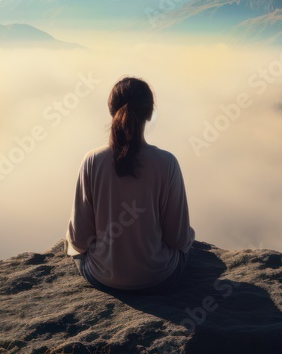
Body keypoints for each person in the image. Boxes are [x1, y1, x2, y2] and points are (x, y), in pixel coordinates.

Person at [66, 77, 195, 293]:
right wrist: (190, 235)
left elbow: (79, 241)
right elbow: (178, 240)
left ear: (111, 111)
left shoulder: (92, 161)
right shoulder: (167, 163)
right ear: (150, 114)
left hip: (102, 277)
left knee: (70, 249)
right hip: (160, 276)